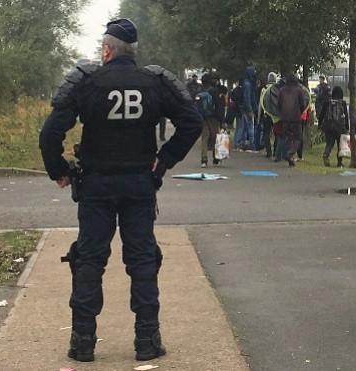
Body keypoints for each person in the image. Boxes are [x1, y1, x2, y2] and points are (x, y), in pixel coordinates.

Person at [39, 19, 202, 362]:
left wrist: (60, 170)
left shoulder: (87, 81)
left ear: (107, 50)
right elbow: (192, 122)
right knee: (143, 259)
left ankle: (82, 342)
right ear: (133, 50)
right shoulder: (154, 82)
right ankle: (147, 340)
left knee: (89, 259)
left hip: (96, 184)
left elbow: (49, 133)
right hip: (140, 183)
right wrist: (165, 159)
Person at [277, 73, 307, 166]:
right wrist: (300, 113)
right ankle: (290, 154)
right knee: (298, 138)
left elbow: (279, 104)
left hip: (285, 117)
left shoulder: (282, 90)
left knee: (287, 137)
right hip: (295, 117)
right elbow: (303, 105)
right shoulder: (299, 90)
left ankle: (288, 157)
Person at [198, 72, 226, 167]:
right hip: (213, 117)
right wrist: (222, 121)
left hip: (202, 117)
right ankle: (215, 158)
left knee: (204, 137)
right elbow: (218, 107)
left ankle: (204, 160)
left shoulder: (199, 91)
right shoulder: (214, 91)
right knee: (215, 137)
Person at [318, 85, 349, 167]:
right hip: (339, 127)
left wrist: (319, 124)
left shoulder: (327, 102)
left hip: (328, 126)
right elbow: (345, 116)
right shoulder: (343, 103)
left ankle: (326, 154)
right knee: (340, 144)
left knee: (329, 143)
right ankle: (339, 162)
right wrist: (347, 127)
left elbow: (321, 114)